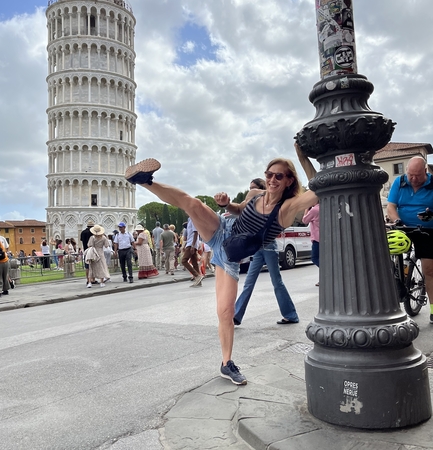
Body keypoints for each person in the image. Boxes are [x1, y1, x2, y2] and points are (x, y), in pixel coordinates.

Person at [125, 154, 317, 385]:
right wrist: (227, 204)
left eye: (279, 176)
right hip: (221, 230)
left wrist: (302, 156)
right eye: (269, 174)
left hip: (230, 257)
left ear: (289, 181)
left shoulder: (287, 208)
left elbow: (317, 189)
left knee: (225, 313)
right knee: (192, 203)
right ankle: (144, 181)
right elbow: (238, 210)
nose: (272, 179)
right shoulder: (257, 195)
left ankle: (226, 363)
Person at [234, 177, 299, 326]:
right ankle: (236, 315)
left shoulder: (271, 204)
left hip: (269, 247)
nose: (250, 190)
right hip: (257, 249)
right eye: (249, 187)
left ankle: (291, 315)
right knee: (248, 283)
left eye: (253, 187)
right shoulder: (255, 204)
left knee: (277, 282)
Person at [387, 156, 433, 328]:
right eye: (411, 175)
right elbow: (391, 206)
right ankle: (396, 281)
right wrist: (396, 221)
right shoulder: (400, 182)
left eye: (417, 175)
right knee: (388, 251)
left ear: (425, 171)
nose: (414, 179)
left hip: (427, 230)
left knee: (429, 271)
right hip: (403, 227)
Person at [182, 217, 203, 286]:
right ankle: (198, 282)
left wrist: (193, 245)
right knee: (194, 262)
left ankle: (197, 276)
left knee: (184, 260)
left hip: (191, 244)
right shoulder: (190, 219)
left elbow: (196, 232)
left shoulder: (193, 220)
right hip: (191, 243)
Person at [303, 203, 320, 286]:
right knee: (323, 259)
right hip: (326, 237)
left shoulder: (314, 210)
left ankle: (327, 273)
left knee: (315, 258)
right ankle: (323, 278)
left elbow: (305, 220)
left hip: (317, 238)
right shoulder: (324, 206)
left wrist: (306, 209)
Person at [80, 219, 96, 286]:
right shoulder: (92, 233)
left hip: (86, 250)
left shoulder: (83, 232)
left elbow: (81, 240)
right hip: (92, 250)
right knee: (93, 266)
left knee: (87, 266)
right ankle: (93, 279)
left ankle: (87, 279)